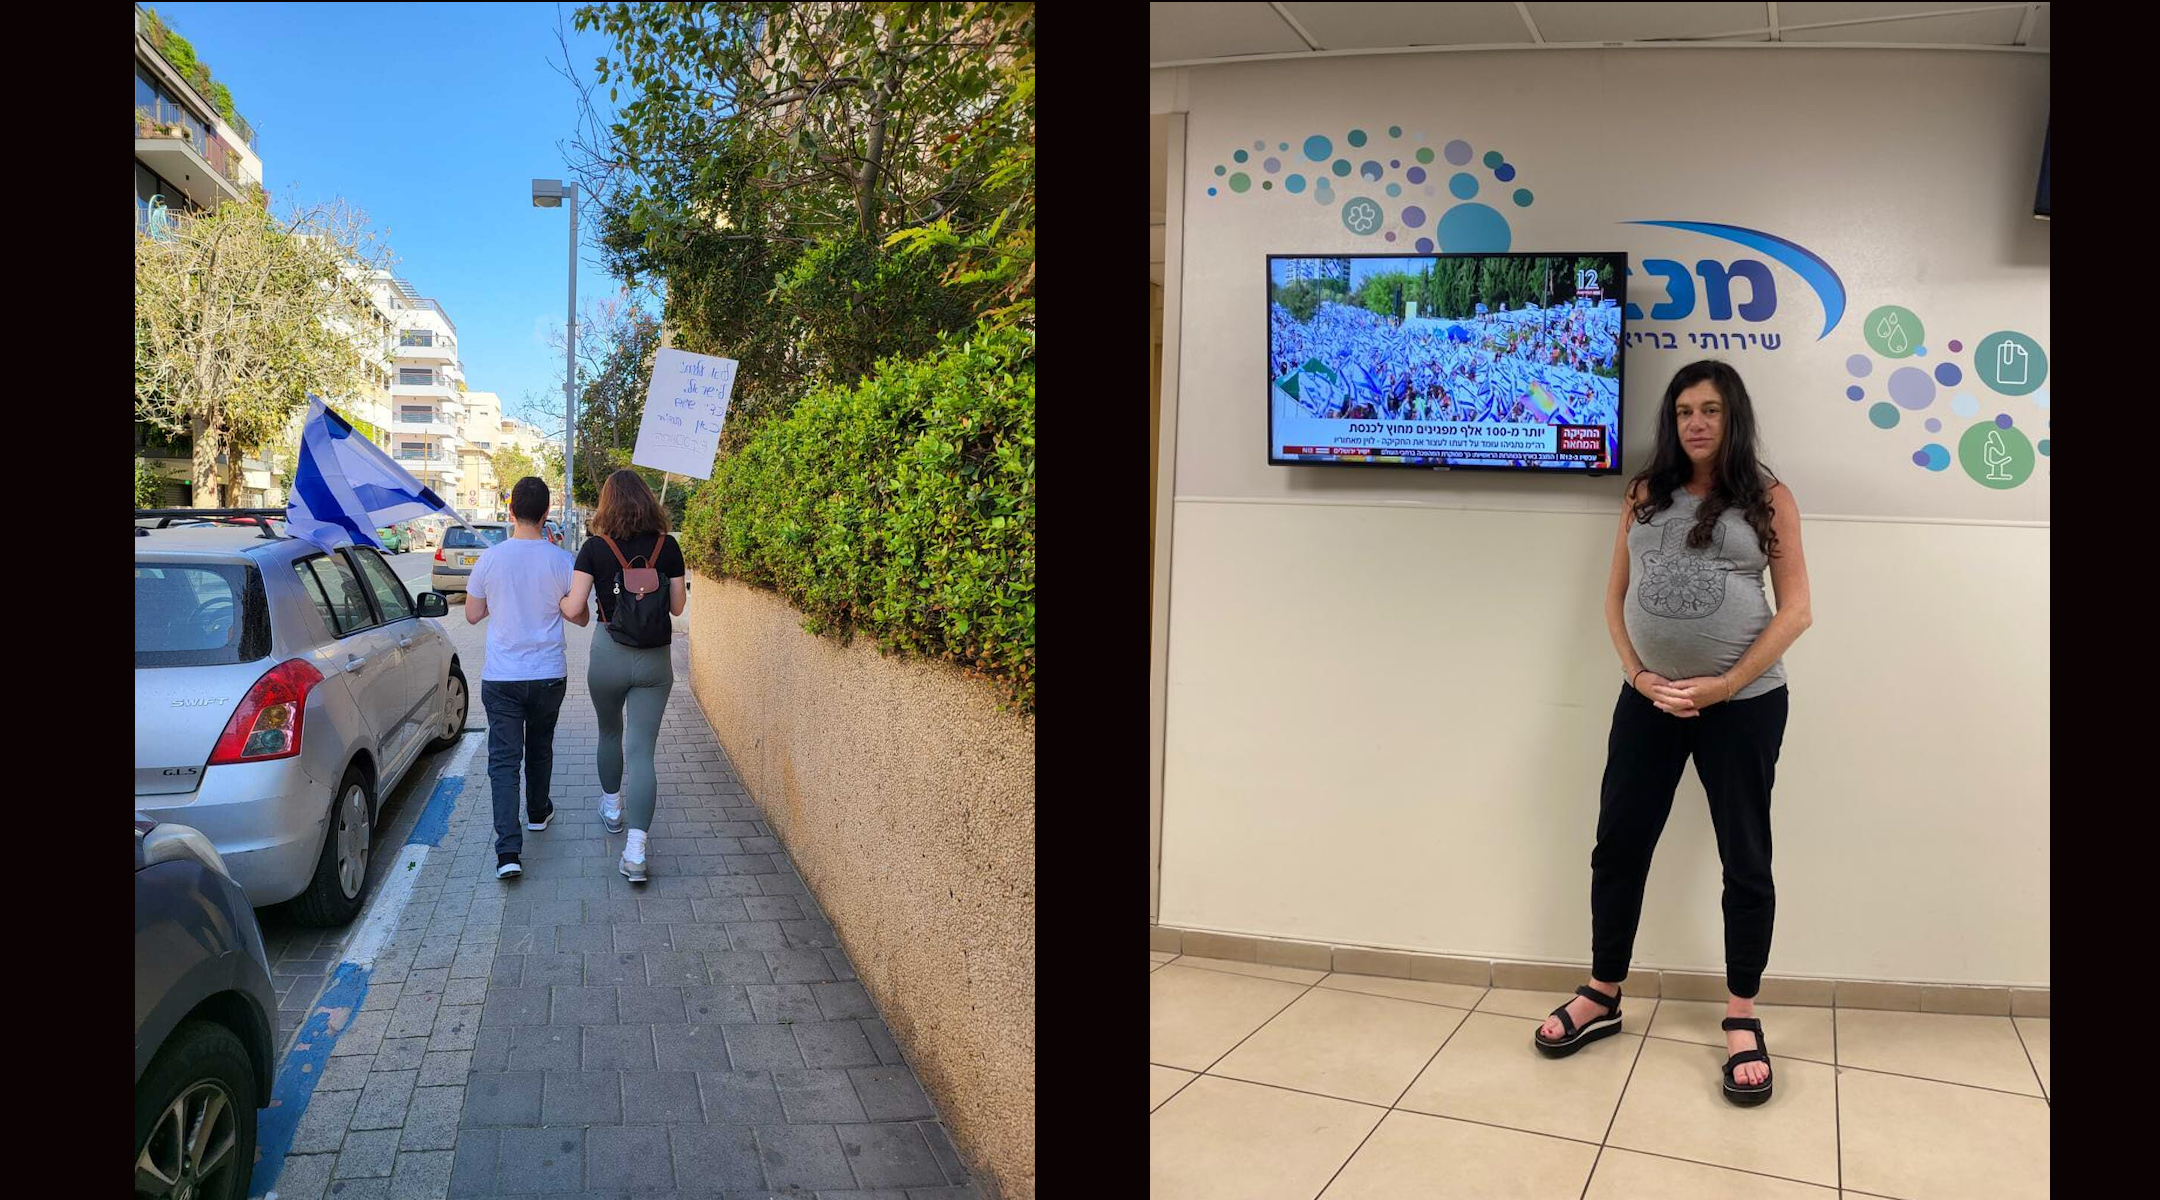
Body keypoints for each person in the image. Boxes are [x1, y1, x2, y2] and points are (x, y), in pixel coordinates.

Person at [1534, 360, 1812, 1109]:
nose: (1696, 422)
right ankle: (1603, 991)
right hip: (1649, 703)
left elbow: (1796, 612)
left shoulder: (1768, 497)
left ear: (1733, 418)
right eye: (1685, 409)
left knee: (1744, 858)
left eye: (1712, 410)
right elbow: (1614, 595)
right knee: (1619, 844)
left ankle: (1742, 1013)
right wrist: (1634, 673)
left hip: (1744, 705)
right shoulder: (1642, 493)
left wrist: (1723, 685)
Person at [561, 469, 687, 883]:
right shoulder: (669, 547)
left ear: (606, 503)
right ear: (648, 501)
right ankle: (636, 854)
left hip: (608, 654)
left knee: (609, 733)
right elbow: (677, 609)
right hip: (655, 661)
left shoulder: (593, 548)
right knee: (642, 753)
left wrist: (562, 602)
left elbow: (575, 605)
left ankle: (612, 807)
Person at [465, 477, 580, 880]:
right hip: (549, 673)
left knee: (503, 760)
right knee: (541, 746)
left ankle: (508, 852)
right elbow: (579, 615)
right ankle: (538, 811)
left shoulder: (489, 560)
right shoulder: (562, 561)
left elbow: (472, 615)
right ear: (547, 513)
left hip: (502, 678)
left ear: (510, 511)